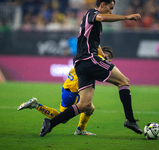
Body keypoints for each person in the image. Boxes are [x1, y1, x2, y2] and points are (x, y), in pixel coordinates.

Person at [39, 0, 143, 137]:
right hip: (89, 60)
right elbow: (103, 17)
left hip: (81, 64)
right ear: (102, 4)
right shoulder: (92, 13)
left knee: (85, 105)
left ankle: (50, 123)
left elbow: (95, 44)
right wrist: (126, 17)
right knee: (123, 81)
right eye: (110, 8)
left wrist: (103, 57)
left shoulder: (95, 24)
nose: (111, 11)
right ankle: (130, 120)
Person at [18, 46, 114, 136]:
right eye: (109, 61)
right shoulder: (97, 61)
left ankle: (80, 130)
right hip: (72, 93)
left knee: (89, 108)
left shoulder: (88, 58)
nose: (108, 64)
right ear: (107, 56)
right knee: (64, 117)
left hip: (68, 90)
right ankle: (36, 105)